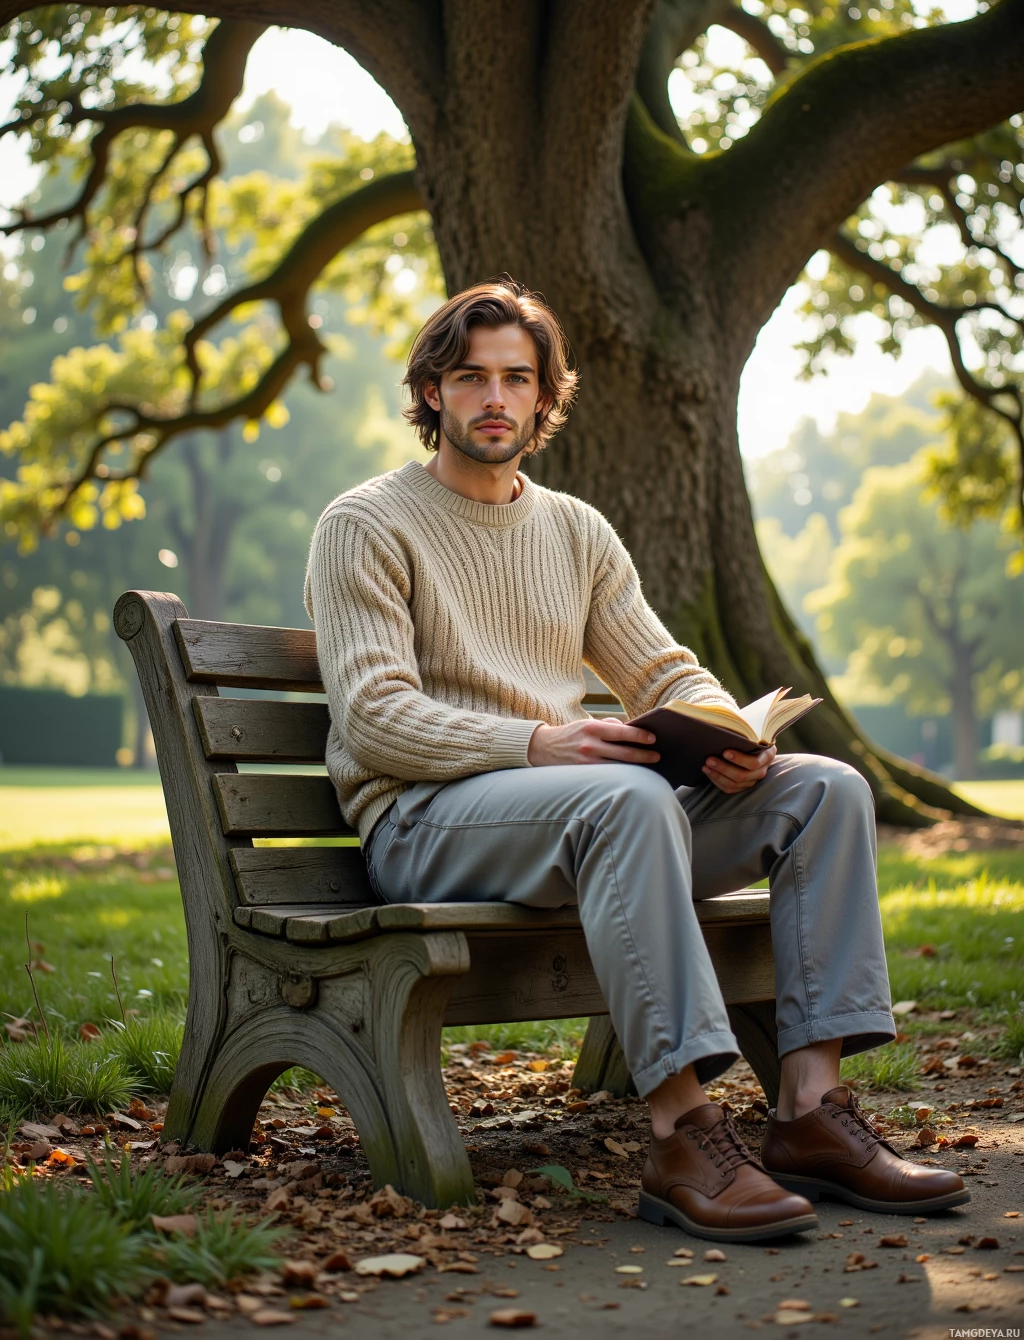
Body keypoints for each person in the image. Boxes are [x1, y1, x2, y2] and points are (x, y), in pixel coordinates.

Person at [305, 279, 967, 1241]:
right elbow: (374, 718)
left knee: (825, 789)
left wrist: (728, 739)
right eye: (471, 378)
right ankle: (682, 1134)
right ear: (432, 393)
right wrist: (538, 741)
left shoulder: (575, 529)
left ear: (543, 396)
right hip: (428, 824)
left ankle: (810, 1113)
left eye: (517, 379)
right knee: (619, 799)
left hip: (584, 817)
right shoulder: (364, 524)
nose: (495, 397)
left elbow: (662, 670)